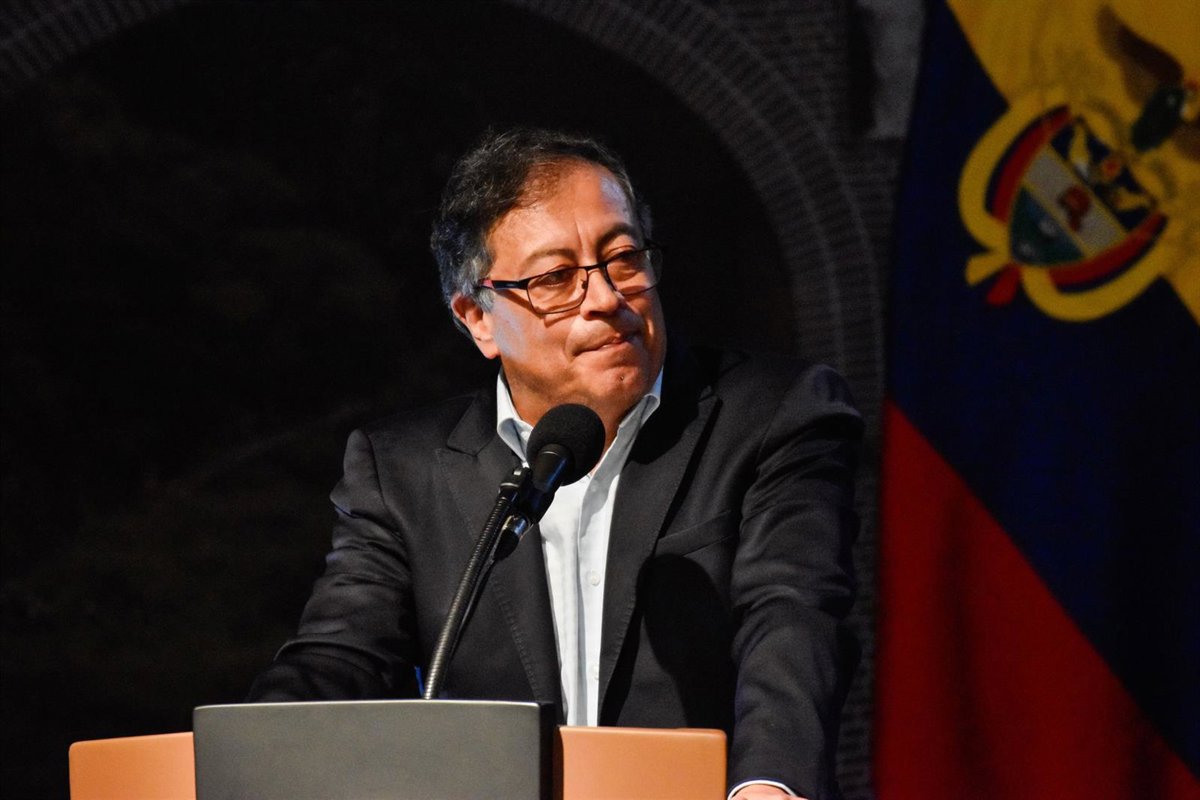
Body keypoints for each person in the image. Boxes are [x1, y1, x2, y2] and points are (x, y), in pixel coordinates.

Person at [248, 128, 862, 800]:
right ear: (478, 318)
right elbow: (340, 658)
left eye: (623, 257)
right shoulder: (403, 472)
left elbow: (791, 618)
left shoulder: (773, 416)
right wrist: (243, 763)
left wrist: (769, 786)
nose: (605, 298)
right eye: (555, 279)